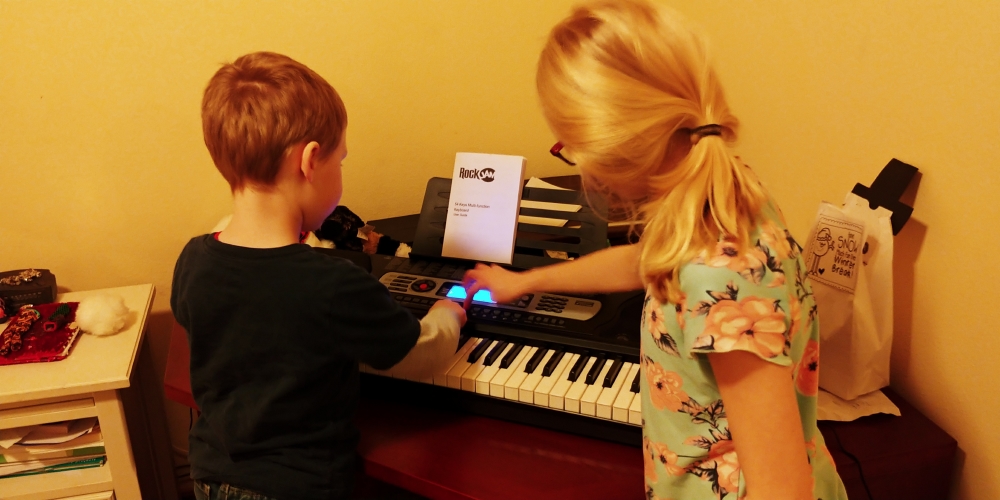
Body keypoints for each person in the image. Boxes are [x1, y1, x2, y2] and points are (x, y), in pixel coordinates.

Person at [462, 2, 847, 499]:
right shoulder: (716, 197)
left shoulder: (722, 276)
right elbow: (647, 260)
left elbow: (783, 491)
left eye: (570, 146)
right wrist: (525, 282)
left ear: (614, 142)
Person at [171, 51, 466, 500]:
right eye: (340, 160)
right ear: (309, 161)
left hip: (211, 477)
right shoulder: (329, 283)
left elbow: (231, 322)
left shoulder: (194, 258)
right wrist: (449, 312)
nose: (341, 171)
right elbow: (419, 353)